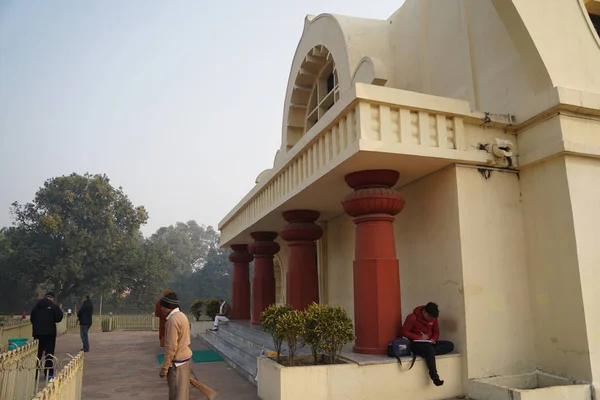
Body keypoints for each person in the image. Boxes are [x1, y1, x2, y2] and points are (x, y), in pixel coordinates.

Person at [401, 302, 454, 387]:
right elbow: (404, 331)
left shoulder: (433, 319)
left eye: (433, 318)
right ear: (425, 312)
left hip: (429, 343)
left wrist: (434, 339)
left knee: (450, 345)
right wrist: (417, 337)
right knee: (429, 349)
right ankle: (434, 376)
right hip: (416, 344)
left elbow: (436, 332)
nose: (431, 319)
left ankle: (428, 353)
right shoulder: (412, 317)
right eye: (429, 317)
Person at [159, 292, 192, 400]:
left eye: (162, 306)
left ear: (168, 306)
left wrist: (164, 368)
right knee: (183, 394)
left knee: (175, 395)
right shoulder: (182, 316)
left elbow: (171, 348)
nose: (161, 309)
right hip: (186, 360)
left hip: (177, 365)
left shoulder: (172, 321)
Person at [30, 292, 64, 380]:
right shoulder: (54, 307)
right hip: (50, 334)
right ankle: (48, 373)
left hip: (37, 333)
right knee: (49, 354)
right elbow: (59, 318)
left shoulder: (36, 307)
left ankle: (35, 373)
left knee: (38, 354)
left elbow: (32, 319)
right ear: (52, 298)